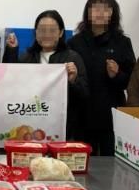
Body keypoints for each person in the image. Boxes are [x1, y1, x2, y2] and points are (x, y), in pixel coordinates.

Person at [68, 0, 135, 155]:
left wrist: (117, 75)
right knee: (82, 161)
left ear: (112, 13)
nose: (100, 13)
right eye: (95, 8)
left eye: (105, 9)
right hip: (82, 115)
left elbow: (132, 81)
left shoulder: (123, 42)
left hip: (111, 116)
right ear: (88, 12)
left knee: (112, 162)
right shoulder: (75, 42)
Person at [19, 10, 89, 140]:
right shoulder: (25, 58)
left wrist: (73, 81)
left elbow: (84, 95)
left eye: (52, 30)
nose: (46, 34)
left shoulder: (72, 58)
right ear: (35, 32)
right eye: (42, 30)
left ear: (61, 32)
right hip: (30, 123)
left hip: (62, 128)